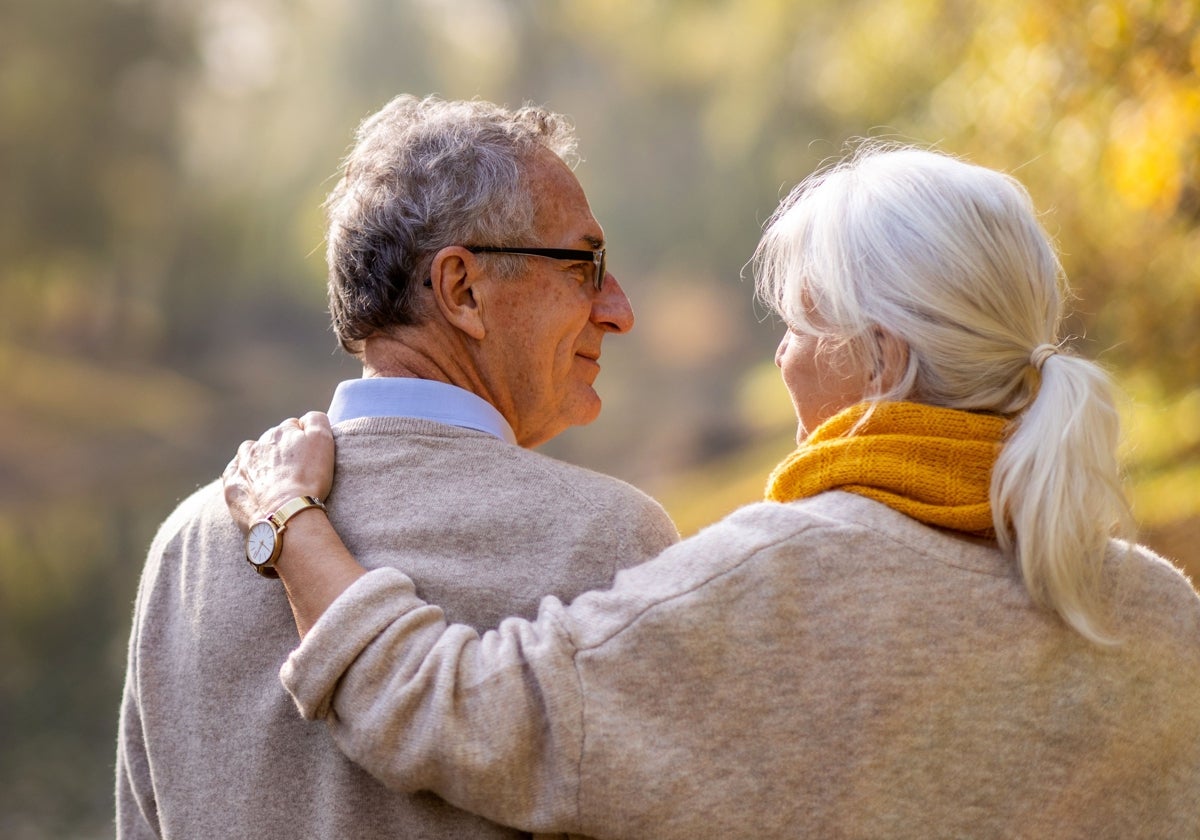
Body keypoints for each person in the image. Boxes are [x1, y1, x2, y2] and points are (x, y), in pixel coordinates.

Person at [224, 145, 1200, 839]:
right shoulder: (1160, 611)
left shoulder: (780, 583)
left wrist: (288, 519)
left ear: (881, 357)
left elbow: (446, 708)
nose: (779, 355)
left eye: (798, 325)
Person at [115, 95, 680, 839]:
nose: (618, 309)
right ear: (462, 290)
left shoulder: (185, 547)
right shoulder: (609, 542)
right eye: (585, 266)